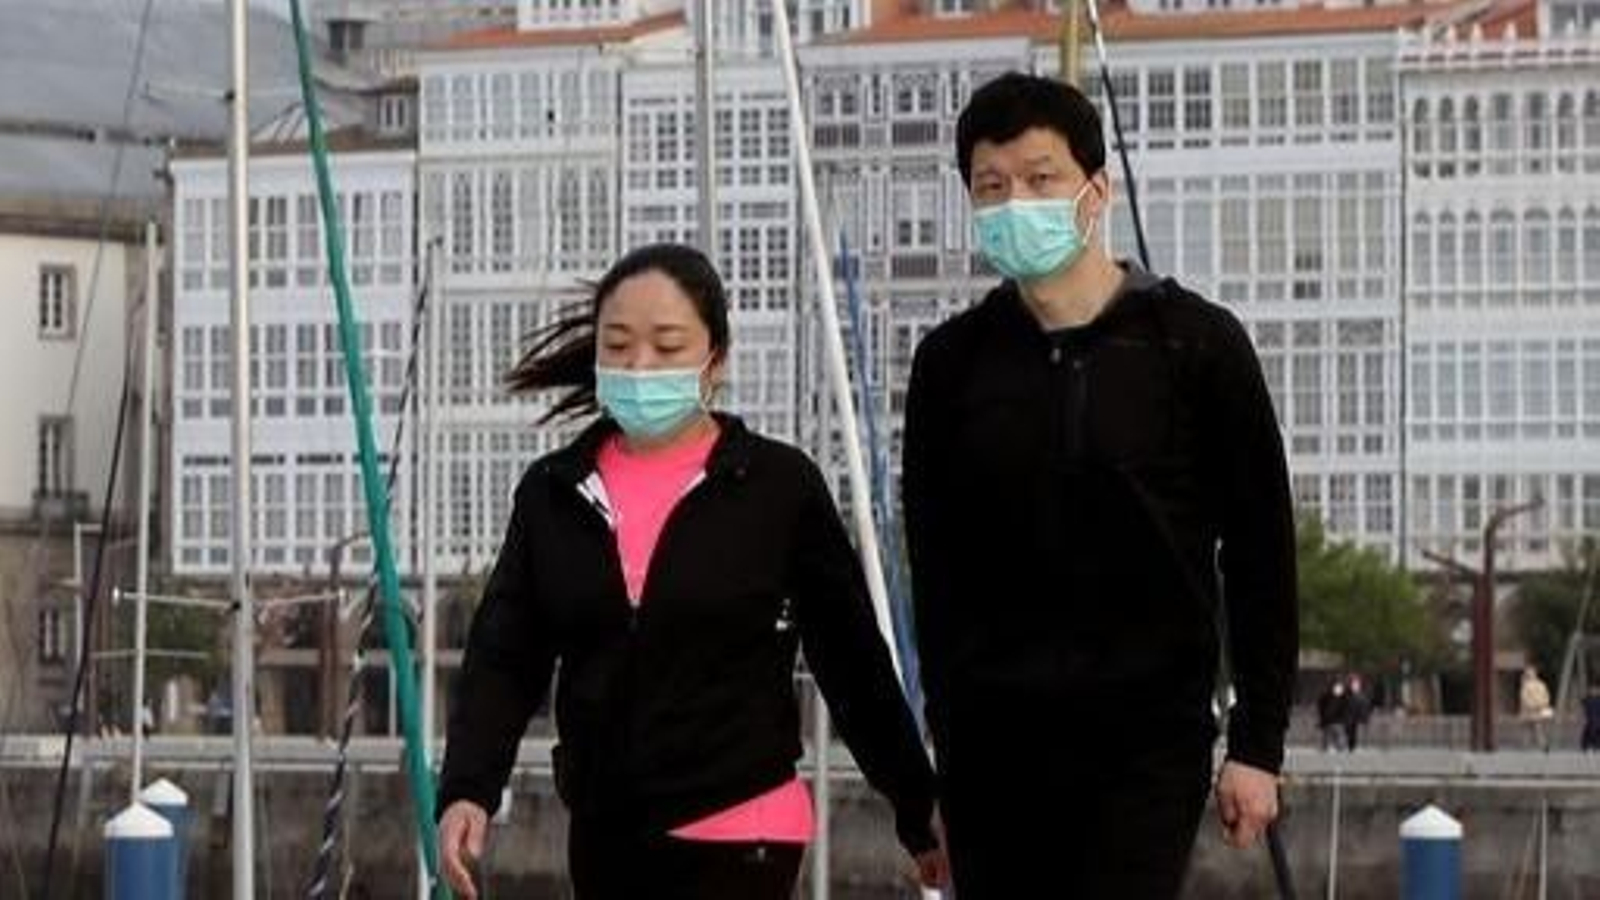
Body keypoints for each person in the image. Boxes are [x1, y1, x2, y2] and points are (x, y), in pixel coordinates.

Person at [436, 243, 946, 900]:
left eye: (667, 345)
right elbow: (504, 656)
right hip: (606, 831)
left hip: (741, 827)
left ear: (715, 360)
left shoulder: (777, 487)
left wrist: (916, 804)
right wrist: (468, 789)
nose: (639, 365)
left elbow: (851, 660)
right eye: (617, 345)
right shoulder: (553, 493)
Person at [902, 72, 1298, 898]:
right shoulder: (951, 365)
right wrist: (940, 742)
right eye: (992, 186)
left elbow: (1261, 553)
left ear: (1096, 190)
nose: (1018, 201)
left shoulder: (1196, 346)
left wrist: (1258, 746)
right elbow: (936, 571)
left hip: (1146, 740)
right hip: (991, 745)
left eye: (1041, 178)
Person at [1519, 665, 1554, 750]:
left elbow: (1524, 698)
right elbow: (1546, 696)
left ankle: (1530, 745)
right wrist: (1542, 704)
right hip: (1537, 710)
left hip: (1531, 710)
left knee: (1531, 729)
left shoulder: (1526, 685)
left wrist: (1534, 705)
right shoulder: (1541, 684)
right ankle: (1541, 744)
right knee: (1536, 728)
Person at [1317, 680, 1349, 752]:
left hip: (1339, 722)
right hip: (1329, 722)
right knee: (1328, 737)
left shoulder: (1344, 698)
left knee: (1340, 737)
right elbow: (1321, 707)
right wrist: (1323, 719)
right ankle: (1327, 747)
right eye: (1337, 688)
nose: (1338, 690)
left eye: (1340, 688)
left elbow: (1346, 710)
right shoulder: (1326, 697)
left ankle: (1339, 747)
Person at [1343, 673, 1372, 751]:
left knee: (1354, 736)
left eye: (1357, 684)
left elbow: (1365, 707)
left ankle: (1353, 747)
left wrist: (1365, 718)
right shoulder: (1346, 695)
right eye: (1354, 684)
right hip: (1347, 720)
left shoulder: (1362, 697)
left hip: (1357, 721)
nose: (1356, 686)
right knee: (1348, 735)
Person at [1582, 684, 1600, 752]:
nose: (1594, 692)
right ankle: (1587, 746)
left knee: (1594, 731)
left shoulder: (1596, 700)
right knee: (1589, 731)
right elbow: (1584, 703)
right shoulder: (1588, 700)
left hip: (1596, 718)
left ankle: (1595, 745)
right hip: (1591, 718)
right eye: (1593, 691)